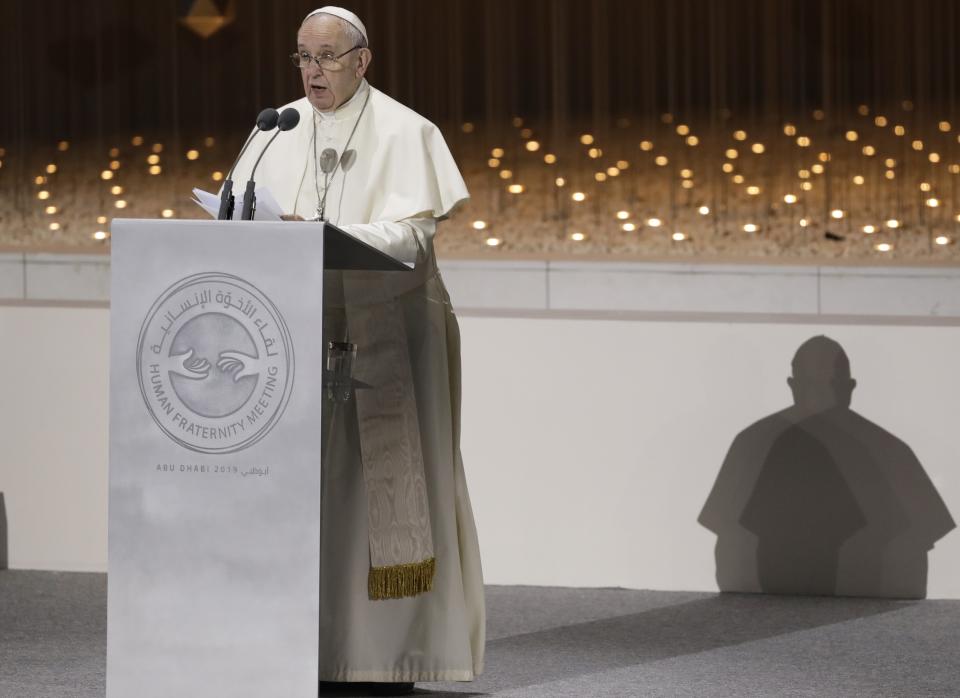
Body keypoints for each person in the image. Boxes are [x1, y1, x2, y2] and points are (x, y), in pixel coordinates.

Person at [227, 6, 484, 693]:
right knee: (311, 492)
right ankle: (301, 649)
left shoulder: (406, 131)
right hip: (297, 334)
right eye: (303, 58)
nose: (313, 71)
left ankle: (383, 656)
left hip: (392, 332)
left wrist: (323, 231)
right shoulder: (274, 130)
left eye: (328, 57)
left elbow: (414, 239)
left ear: (362, 60)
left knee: (378, 499)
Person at [698, 335, 955, 598]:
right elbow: (729, 540)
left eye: (829, 385)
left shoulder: (889, 450)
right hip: (773, 610)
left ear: (849, 387)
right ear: (792, 386)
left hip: (861, 615)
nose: (819, 397)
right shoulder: (753, 443)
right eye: (811, 385)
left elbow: (914, 544)